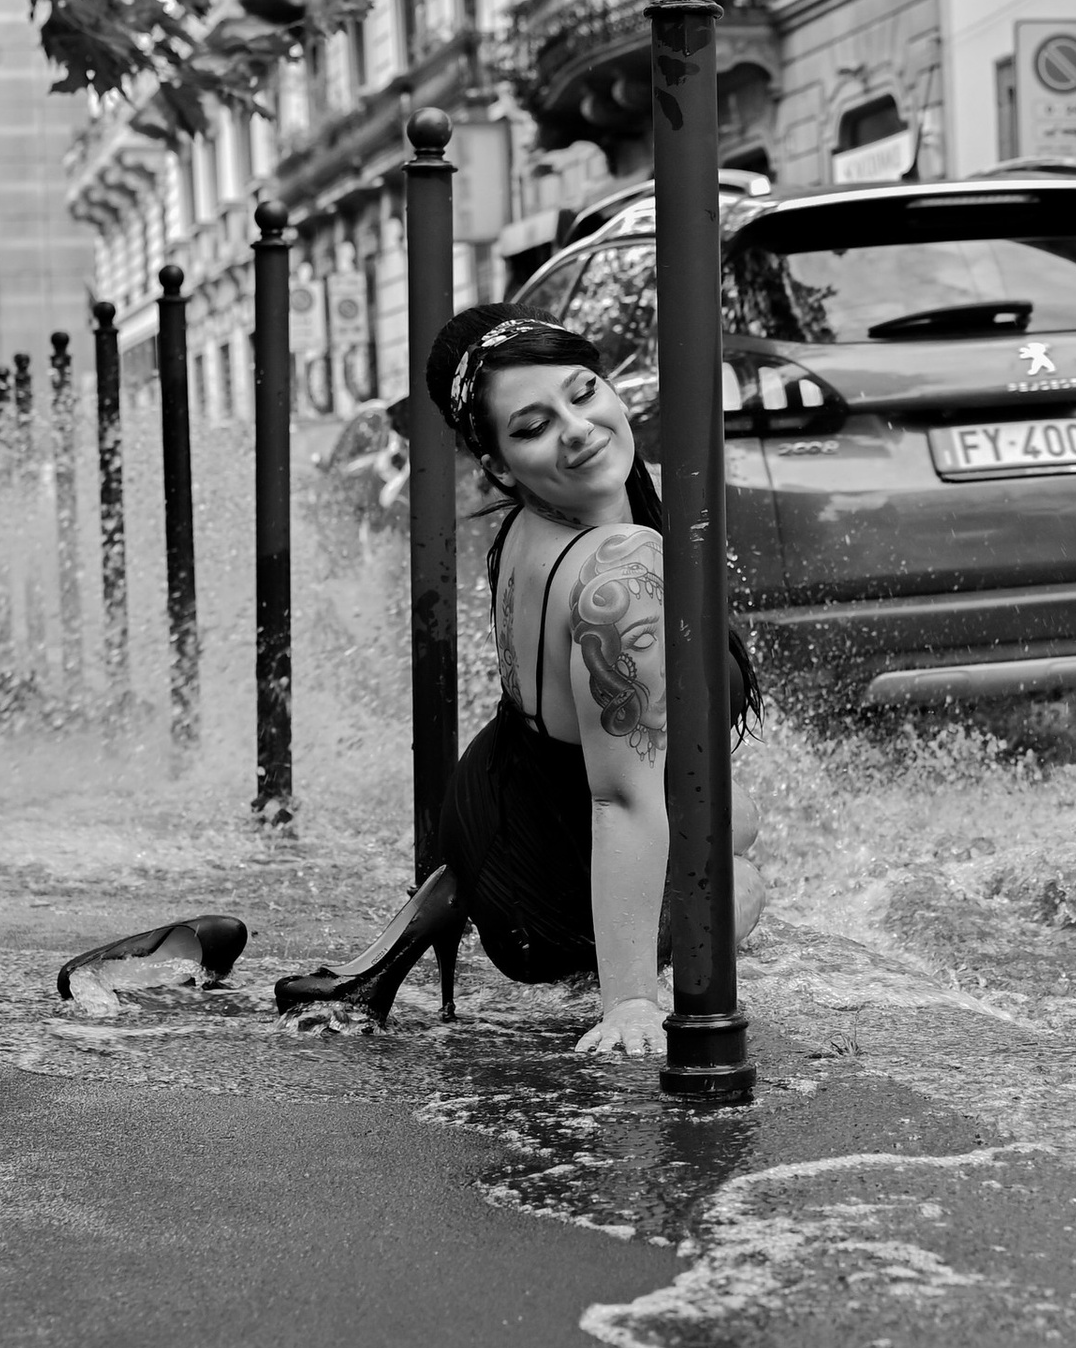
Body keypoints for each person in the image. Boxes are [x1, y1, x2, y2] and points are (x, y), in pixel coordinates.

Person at [273, 310, 762, 1053]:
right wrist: (630, 1000)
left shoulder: (533, 526)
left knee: (740, 814)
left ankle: (445, 903)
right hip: (542, 881)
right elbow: (620, 797)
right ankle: (580, 943)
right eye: (534, 425)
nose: (579, 427)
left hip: (494, 801)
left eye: (583, 391)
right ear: (499, 463)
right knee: (743, 887)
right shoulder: (620, 568)